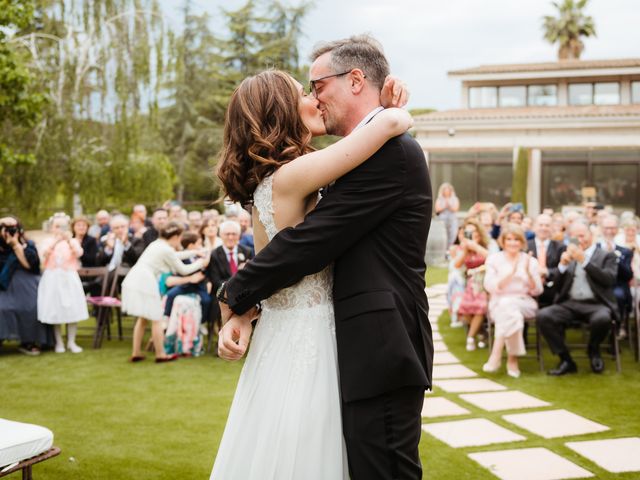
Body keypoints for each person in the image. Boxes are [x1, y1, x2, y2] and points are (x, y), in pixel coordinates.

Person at [213, 36, 429, 480]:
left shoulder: (390, 153)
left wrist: (237, 297)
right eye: (305, 92)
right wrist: (393, 113)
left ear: (354, 80)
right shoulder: (312, 170)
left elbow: (311, 241)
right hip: (327, 342)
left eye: (316, 86)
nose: (314, 98)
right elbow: (308, 242)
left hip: (377, 347)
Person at [536, 220, 617, 375]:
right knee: (544, 316)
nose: (579, 240)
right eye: (575, 237)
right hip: (570, 303)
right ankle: (566, 359)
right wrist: (562, 266)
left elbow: (608, 279)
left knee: (602, 319)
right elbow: (556, 286)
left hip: (596, 304)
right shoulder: (567, 254)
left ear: (591, 235)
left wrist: (584, 261)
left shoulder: (606, 256)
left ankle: (593, 350)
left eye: (582, 235)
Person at [122, 222, 209, 363]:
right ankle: (160, 354)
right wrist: (202, 263)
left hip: (136, 278)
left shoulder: (157, 244)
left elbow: (174, 255)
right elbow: (184, 270)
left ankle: (136, 353)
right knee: (156, 317)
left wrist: (194, 252)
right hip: (145, 281)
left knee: (143, 318)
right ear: (175, 236)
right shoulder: (164, 249)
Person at [483, 224, 543, 378]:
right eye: (509, 239)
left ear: (522, 242)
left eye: (516, 239)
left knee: (508, 306)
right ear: (502, 241)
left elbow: (537, 290)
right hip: (499, 302)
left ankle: (496, 354)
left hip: (525, 302)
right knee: (510, 311)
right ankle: (512, 360)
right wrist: (512, 272)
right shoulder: (494, 259)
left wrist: (529, 273)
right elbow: (489, 286)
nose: (513, 243)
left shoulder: (530, 261)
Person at [0, 216, 53, 355]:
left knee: (31, 306)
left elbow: (31, 266)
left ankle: (28, 341)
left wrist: (16, 245)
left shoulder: (27, 244)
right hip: (4, 284)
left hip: (27, 282)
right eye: (5, 227)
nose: (9, 231)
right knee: (2, 308)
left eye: (12, 227)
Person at [37, 213, 89, 353]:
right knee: (56, 309)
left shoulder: (72, 241)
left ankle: (71, 341)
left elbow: (79, 253)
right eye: (57, 226)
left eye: (62, 226)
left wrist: (69, 241)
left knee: (72, 308)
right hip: (52, 278)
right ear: (52, 228)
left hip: (69, 277)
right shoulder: (47, 241)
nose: (60, 229)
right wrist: (56, 242)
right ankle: (59, 342)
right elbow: (43, 255)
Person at [454, 217, 489, 351]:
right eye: (468, 233)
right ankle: (482, 332)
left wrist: (476, 247)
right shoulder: (464, 248)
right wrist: (465, 250)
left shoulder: (485, 246)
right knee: (463, 310)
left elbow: (492, 258)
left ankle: (470, 337)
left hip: (484, 283)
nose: (472, 235)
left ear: (479, 233)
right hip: (470, 284)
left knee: (480, 307)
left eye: (474, 232)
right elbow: (457, 264)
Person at [599, 214, 633, 338]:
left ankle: (616, 329)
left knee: (618, 295)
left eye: (612, 228)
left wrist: (615, 257)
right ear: (601, 228)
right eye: (606, 227)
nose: (609, 231)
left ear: (617, 230)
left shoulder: (625, 251)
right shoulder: (595, 248)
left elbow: (628, 275)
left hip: (617, 286)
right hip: (597, 286)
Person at [527, 214, 566, 308]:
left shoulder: (560, 247)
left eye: (547, 225)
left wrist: (547, 272)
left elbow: (564, 269)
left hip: (553, 290)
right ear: (534, 227)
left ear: (552, 228)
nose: (543, 228)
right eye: (540, 225)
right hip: (529, 289)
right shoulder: (525, 246)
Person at [435, 182, 459, 249]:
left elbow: (456, 209)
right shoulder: (439, 199)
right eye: (445, 190)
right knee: (443, 235)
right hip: (442, 220)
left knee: (453, 234)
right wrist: (444, 206)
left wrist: (449, 205)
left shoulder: (455, 199)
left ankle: (449, 248)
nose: (447, 191)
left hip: (452, 220)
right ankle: (443, 249)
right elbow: (437, 210)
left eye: (448, 190)